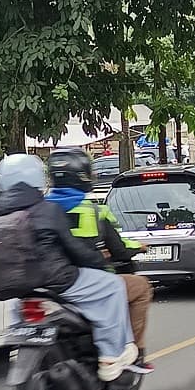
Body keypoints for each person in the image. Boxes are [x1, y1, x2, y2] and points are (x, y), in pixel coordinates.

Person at [0, 154, 137, 381]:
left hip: (25, 289)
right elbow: (74, 249)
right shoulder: (48, 210)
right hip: (60, 281)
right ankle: (109, 356)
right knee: (114, 286)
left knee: (18, 310)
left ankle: (18, 350)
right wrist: (99, 263)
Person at [45, 148, 155, 373]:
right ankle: (134, 353)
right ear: (84, 176)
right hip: (86, 283)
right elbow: (120, 250)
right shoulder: (95, 211)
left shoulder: (40, 209)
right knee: (142, 287)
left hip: (46, 285)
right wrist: (139, 247)